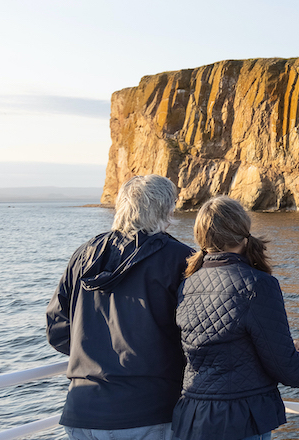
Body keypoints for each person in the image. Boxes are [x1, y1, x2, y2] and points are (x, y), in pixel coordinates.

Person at [173, 196, 299, 440]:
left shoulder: (188, 284)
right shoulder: (257, 284)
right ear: (243, 232)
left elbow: (214, 347)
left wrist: (269, 347)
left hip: (193, 414)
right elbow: (285, 367)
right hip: (239, 419)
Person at [46, 174, 194, 440]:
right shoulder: (180, 259)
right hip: (148, 410)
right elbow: (198, 333)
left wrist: (95, 355)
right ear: (165, 209)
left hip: (82, 410)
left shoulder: (83, 255)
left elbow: (57, 328)